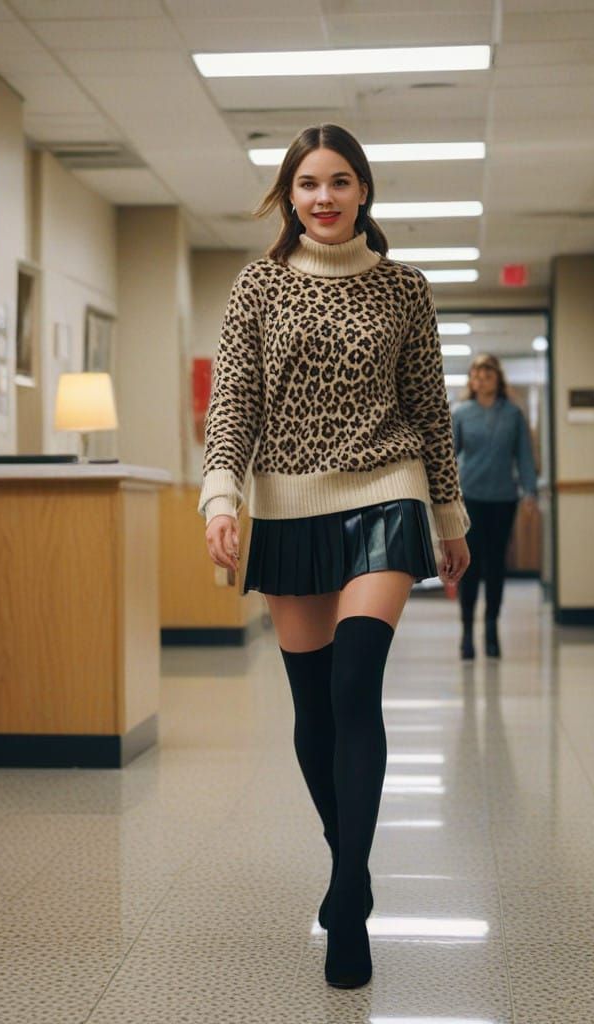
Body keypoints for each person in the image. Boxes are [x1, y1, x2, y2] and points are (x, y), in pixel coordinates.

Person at [199, 124, 470, 990]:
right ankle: (344, 854)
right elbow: (235, 401)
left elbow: (429, 406)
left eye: (340, 181)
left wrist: (450, 517)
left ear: (364, 192)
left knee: (356, 683)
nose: (324, 197)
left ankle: (348, 896)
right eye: (308, 183)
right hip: (288, 502)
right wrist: (219, 496)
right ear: (289, 196)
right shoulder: (259, 286)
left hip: (386, 491)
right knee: (313, 705)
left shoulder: (403, 288)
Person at [452, 353, 538, 661]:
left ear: (498, 379)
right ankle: (466, 632)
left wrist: (530, 493)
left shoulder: (513, 415)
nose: (481, 378)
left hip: (503, 498)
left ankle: (491, 629)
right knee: (471, 566)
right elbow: (449, 458)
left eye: (487, 373)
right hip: (470, 497)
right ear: (471, 381)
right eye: (476, 374)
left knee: (496, 565)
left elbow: (524, 457)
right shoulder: (461, 413)